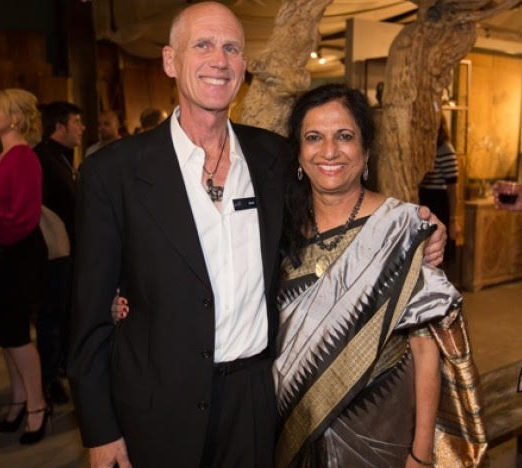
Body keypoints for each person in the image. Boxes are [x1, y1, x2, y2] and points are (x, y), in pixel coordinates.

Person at [70, 4, 447, 468]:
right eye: (202, 45)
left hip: (255, 403)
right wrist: (101, 430)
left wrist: (422, 229)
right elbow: (87, 319)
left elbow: (338, 210)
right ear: (170, 61)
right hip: (154, 409)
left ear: (244, 66)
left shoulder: (272, 159)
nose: (220, 59)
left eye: (232, 48)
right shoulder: (114, 173)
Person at [273, 84, 486, 467]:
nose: (329, 151)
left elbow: (425, 351)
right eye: (313, 138)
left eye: (345, 136)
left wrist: (420, 456)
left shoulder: (402, 228)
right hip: (292, 426)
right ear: (299, 155)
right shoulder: (277, 231)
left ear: (366, 151)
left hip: (380, 428)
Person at [0, 88, 50, 444]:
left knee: (17, 335)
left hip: (15, 252)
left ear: (15, 117)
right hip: (6, 250)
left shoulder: (21, 157)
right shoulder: (6, 155)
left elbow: (22, 217)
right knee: (6, 335)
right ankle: (18, 398)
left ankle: (37, 404)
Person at [34, 101, 84, 405]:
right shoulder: (42, 158)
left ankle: (62, 369)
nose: (81, 128)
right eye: (76, 122)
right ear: (60, 126)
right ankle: (49, 378)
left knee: (65, 313)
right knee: (51, 315)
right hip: (51, 254)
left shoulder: (62, 157)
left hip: (68, 252)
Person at [418, 114, 460, 263]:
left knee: (438, 252)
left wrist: (454, 220)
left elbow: (452, 187)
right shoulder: (422, 148)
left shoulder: (445, 148)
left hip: (438, 202)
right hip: (423, 200)